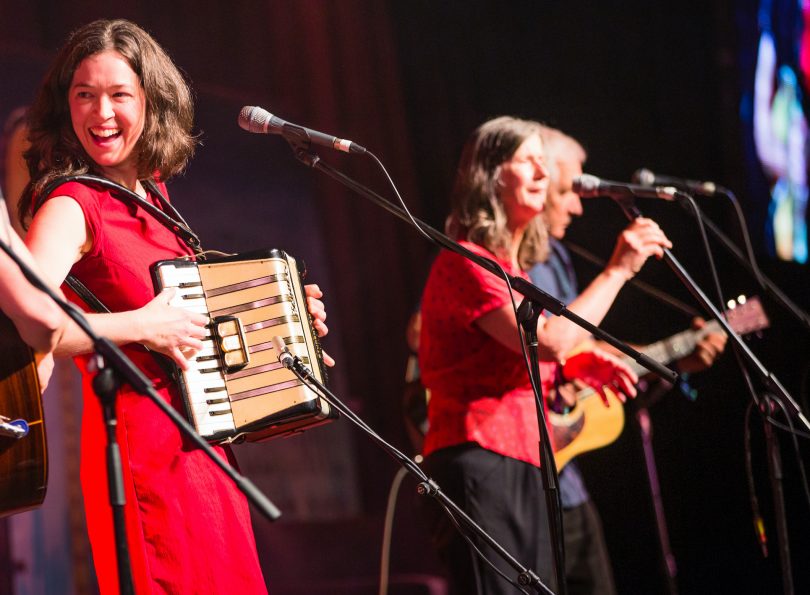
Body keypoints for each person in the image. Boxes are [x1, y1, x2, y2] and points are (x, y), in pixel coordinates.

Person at [18, 19, 331, 594]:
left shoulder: (155, 196)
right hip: (143, 451)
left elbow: (194, 329)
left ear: (152, 102)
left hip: (204, 448)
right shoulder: (70, 203)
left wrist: (280, 332)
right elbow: (28, 327)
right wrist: (142, 325)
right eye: (83, 95)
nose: (100, 113)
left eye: (119, 95)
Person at [418, 116, 640, 595]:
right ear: (492, 175)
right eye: (528, 161)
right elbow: (555, 338)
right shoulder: (466, 261)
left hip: (523, 457)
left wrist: (574, 365)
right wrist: (619, 270)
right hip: (478, 456)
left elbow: (527, 354)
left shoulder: (511, 270)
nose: (545, 174)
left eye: (545, 162)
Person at [528, 125, 728, 595]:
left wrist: (676, 361)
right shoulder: (502, 264)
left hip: (566, 480)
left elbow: (581, 354)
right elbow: (554, 345)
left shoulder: (556, 256)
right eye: (568, 190)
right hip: (521, 480)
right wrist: (618, 269)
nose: (579, 205)